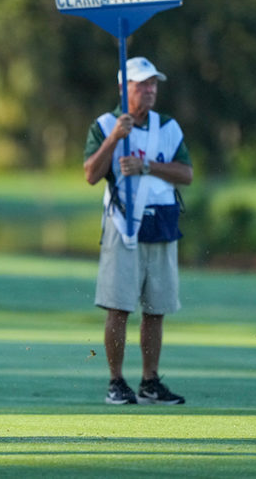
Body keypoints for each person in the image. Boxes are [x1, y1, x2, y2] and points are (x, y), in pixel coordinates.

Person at [83, 56, 193, 405]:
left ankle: (149, 381)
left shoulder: (168, 126)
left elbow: (186, 173)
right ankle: (116, 381)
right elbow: (91, 173)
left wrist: (147, 166)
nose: (149, 90)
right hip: (123, 224)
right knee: (119, 307)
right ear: (123, 87)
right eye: (142, 84)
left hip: (161, 223)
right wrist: (115, 137)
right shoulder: (104, 124)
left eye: (153, 84)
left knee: (156, 309)